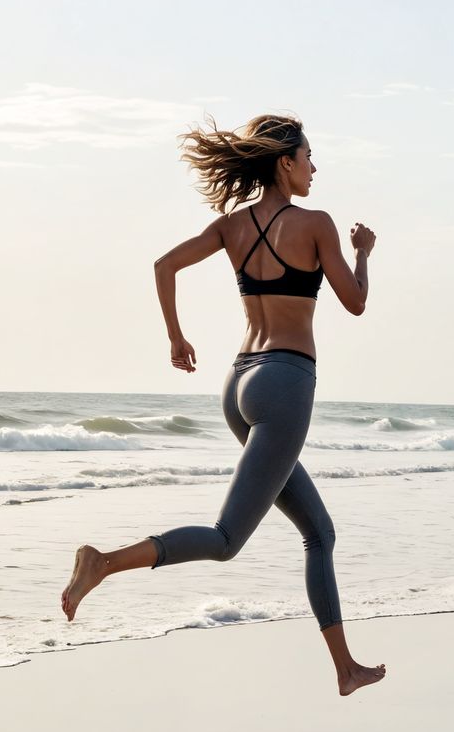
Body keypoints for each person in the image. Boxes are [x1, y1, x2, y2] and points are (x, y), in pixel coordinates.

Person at [60, 113, 385, 696]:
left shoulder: (233, 226)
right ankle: (103, 562)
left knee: (319, 532)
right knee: (226, 539)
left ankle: (345, 669)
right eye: (309, 156)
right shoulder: (316, 224)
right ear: (285, 162)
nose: (314, 167)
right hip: (285, 382)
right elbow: (355, 302)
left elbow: (164, 266)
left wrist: (176, 338)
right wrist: (364, 253)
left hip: (239, 384)